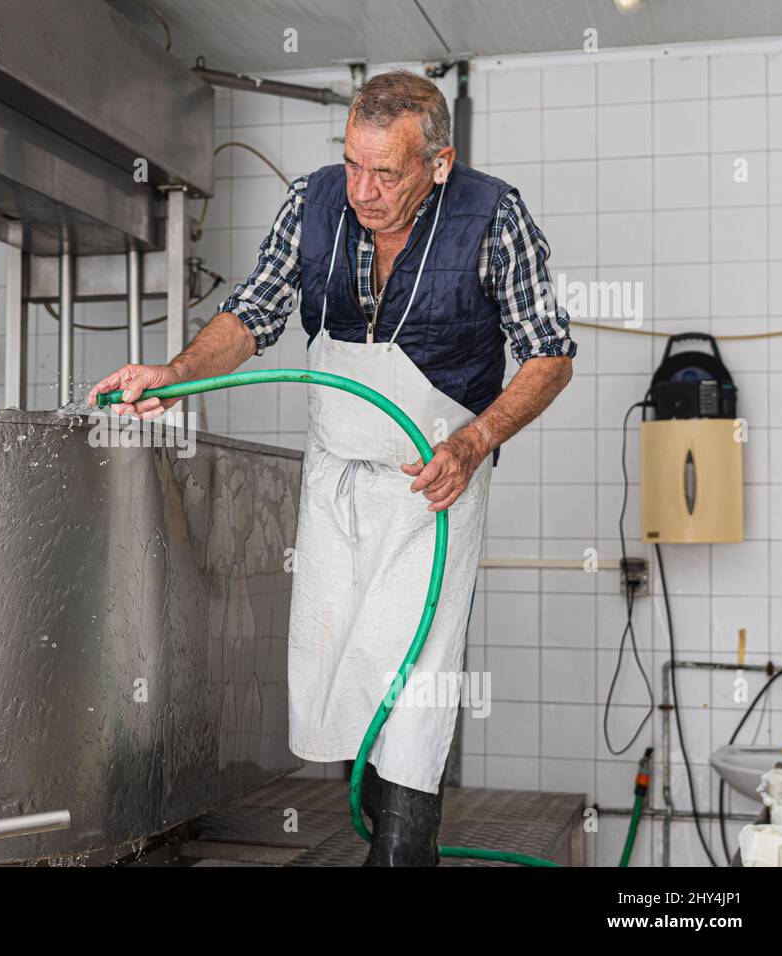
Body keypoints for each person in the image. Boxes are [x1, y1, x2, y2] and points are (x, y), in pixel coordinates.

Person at [90, 69, 575, 865]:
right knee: (341, 664)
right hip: (336, 475)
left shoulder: (493, 215)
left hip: (435, 486)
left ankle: (399, 852)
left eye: (387, 172)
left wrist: (473, 443)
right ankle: (370, 818)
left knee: (415, 681)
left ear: (439, 164)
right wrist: (174, 376)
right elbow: (254, 312)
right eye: (353, 163)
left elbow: (549, 355)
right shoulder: (314, 201)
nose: (363, 189)